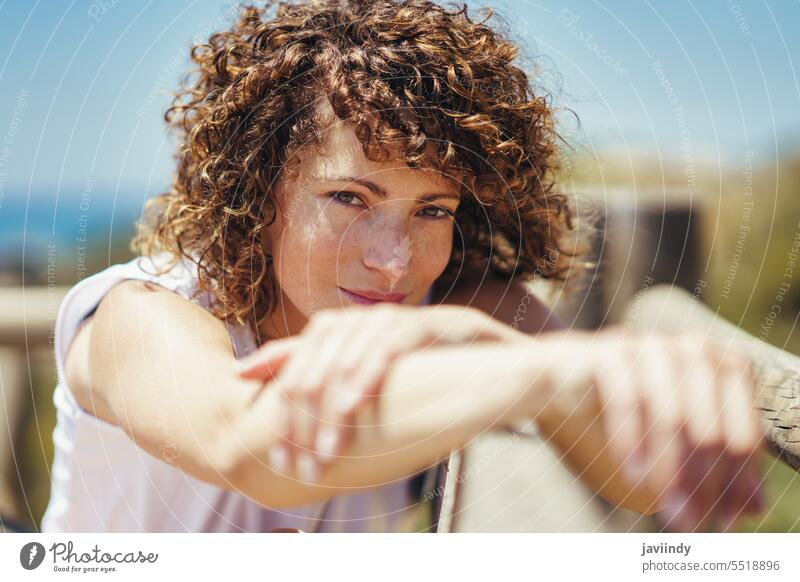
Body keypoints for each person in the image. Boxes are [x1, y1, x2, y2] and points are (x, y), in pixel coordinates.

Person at [42, 0, 764, 533]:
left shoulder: (458, 309)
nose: (394, 263)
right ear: (258, 192)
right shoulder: (137, 317)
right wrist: (534, 370)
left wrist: (492, 347)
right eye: (350, 197)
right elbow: (257, 450)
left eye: (434, 211)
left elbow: (638, 480)